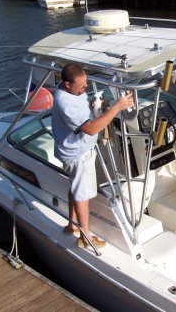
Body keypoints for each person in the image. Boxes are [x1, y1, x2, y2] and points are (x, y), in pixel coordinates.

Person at [52, 63, 134, 249]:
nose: (85, 87)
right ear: (66, 84)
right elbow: (91, 129)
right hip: (78, 155)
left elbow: (82, 113)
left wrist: (90, 106)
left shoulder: (72, 91)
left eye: (86, 83)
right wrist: (117, 107)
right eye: (81, 85)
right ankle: (85, 237)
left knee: (75, 187)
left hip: (74, 151)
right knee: (82, 195)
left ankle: (71, 225)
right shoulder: (66, 103)